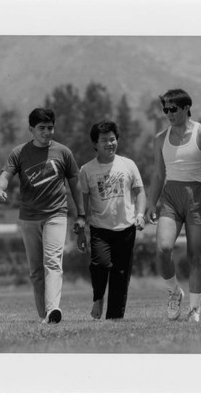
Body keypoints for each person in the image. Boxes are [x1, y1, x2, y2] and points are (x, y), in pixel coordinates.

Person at [146, 88, 201, 323]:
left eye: (173, 109)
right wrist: (150, 204)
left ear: (186, 108)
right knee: (163, 249)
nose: (168, 113)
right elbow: (157, 174)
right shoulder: (160, 139)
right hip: (171, 197)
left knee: (195, 256)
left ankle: (194, 309)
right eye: (165, 109)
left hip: (197, 196)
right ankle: (174, 291)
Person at [0, 107, 86, 324]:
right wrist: (0, 189)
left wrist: (81, 215)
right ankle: (44, 314)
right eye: (42, 128)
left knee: (53, 262)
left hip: (56, 214)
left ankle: (54, 309)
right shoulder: (19, 153)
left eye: (50, 127)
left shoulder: (64, 152)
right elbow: (4, 175)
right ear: (31, 129)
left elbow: (76, 185)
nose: (47, 132)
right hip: (29, 217)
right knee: (36, 270)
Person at [77, 120, 146, 320]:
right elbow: (82, 205)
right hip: (100, 228)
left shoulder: (128, 165)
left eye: (113, 139)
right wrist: (81, 230)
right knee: (99, 264)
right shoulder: (87, 170)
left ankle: (114, 318)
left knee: (121, 275)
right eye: (104, 140)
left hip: (126, 228)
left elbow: (140, 192)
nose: (110, 144)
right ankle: (98, 298)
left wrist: (140, 214)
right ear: (95, 144)